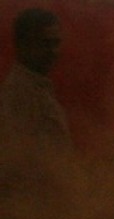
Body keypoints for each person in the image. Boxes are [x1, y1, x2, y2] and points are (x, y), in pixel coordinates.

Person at [0, 7, 71, 152]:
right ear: (22, 45)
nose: (53, 51)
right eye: (45, 43)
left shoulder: (35, 88)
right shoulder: (18, 94)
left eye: (56, 43)